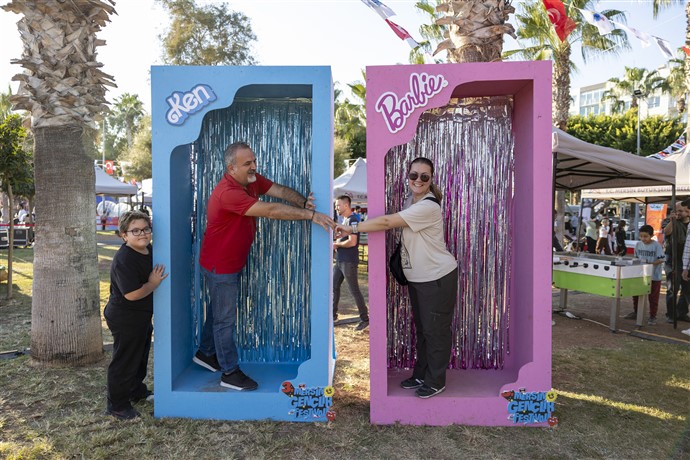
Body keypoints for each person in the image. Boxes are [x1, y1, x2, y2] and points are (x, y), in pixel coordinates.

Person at [193, 141, 335, 391]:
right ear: (231, 167)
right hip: (220, 265)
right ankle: (229, 372)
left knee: (218, 310)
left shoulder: (251, 180)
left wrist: (303, 202)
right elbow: (270, 209)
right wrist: (311, 216)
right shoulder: (228, 192)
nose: (253, 167)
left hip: (226, 262)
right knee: (224, 320)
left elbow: (279, 191)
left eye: (254, 161)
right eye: (247, 163)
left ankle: (205, 354)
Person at [335, 157, 457, 399]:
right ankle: (422, 374)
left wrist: (353, 228)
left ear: (431, 179)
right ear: (407, 176)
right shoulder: (411, 201)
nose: (418, 180)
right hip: (420, 278)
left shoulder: (429, 206)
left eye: (424, 176)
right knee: (423, 330)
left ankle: (436, 380)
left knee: (435, 331)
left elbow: (388, 222)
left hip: (437, 277)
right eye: (414, 175)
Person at [104, 210, 168, 420]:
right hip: (125, 315)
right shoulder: (124, 259)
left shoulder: (148, 249)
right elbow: (131, 294)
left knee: (139, 357)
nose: (142, 234)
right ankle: (117, 405)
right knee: (125, 360)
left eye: (146, 229)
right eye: (135, 231)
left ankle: (135, 390)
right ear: (124, 235)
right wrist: (153, 283)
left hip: (140, 316)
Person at [332, 195, 369, 330]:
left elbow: (352, 242)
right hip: (341, 260)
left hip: (348, 261)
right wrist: (339, 239)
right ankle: (333, 316)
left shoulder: (353, 220)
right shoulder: (346, 220)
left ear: (346, 205)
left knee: (354, 290)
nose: (336, 208)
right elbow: (346, 239)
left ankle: (364, 319)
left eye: (338, 205)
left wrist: (336, 244)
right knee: (334, 287)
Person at [625, 225, 664, 325]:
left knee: (653, 297)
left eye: (645, 236)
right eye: (641, 236)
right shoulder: (638, 245)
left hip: (654, 276)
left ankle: (652, 316)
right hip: (640, 275)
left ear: (651, 235)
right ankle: (636, 312)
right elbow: (636, 258)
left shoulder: (656, 245)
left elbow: (661, 259)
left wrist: (650, 264)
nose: (643, 238)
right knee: (636, 295)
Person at [663, 201, 690, 323]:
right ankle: (671, 314)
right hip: (672, 259)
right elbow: (666, 232)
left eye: (680, 210)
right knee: (672, 288)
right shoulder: (671, 221)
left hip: (686, 260)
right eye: (676, 210)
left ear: (687, 211)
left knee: (687, 288)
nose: (677, 213)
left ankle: (681, 312)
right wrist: (672, 220)